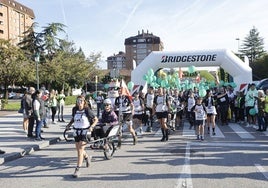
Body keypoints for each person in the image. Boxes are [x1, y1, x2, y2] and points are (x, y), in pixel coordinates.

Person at [66, 95, 98, 178]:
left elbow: (96, 119)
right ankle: (87, 157)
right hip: (76, 131)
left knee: (80, 150)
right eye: (78, 101)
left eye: (81, 101)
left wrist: (92, 127)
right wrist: (69, 125)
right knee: (79, 149)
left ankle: (77, 169)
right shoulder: (75, 109)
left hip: (85, 131)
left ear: (84, 102)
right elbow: (73, 118)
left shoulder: (87, 110)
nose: (79, 102)